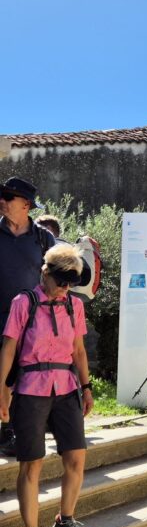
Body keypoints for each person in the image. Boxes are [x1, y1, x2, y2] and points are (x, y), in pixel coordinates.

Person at [0, 243, 94, 527]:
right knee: (32, 464)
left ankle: (64, 520)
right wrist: (2, 389)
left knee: (77, 459)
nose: (65, 289)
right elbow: (9, 349)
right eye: (61, 281)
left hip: (66, 388)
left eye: (71, 283)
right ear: (46, 273)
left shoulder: (74, 306)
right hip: (30, 389)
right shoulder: (23, 303)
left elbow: (79, 350)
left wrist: (87, 387)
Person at [0, 177, 55, 456]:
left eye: (8, 198)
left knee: (19, 376)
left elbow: (58, 274)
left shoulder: (43, 238)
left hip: (32, 319)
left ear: (26, 205)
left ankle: (9, 429)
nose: (2, 202)